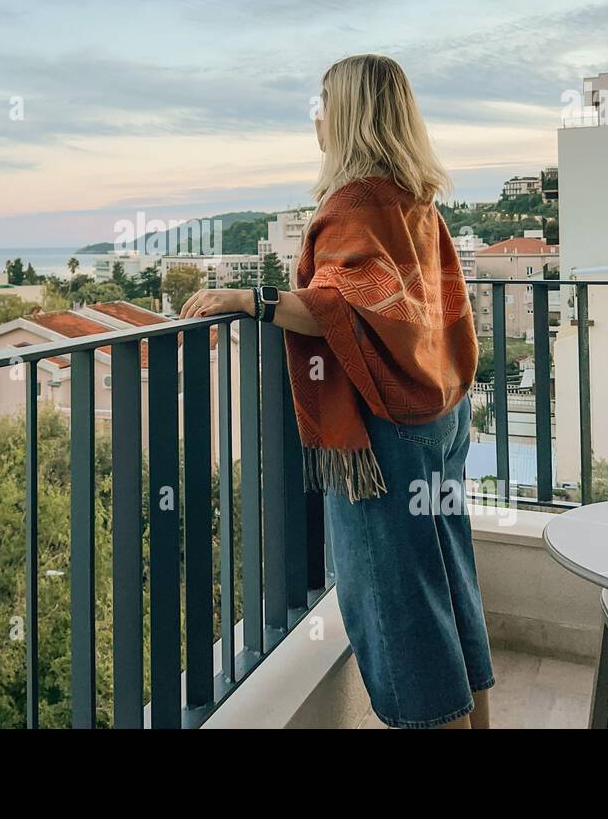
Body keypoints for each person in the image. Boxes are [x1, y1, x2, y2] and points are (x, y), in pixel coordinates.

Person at [179, 53, 492, 729]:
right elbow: (403, 301)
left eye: (323, 103)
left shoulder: (354, 204)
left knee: (396, 604)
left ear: (349, 114)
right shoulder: (415, 198)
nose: (315, 117)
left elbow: (344, 302)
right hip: (441, 410)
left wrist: (249, 298)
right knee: (448, 578)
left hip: (386, 431)